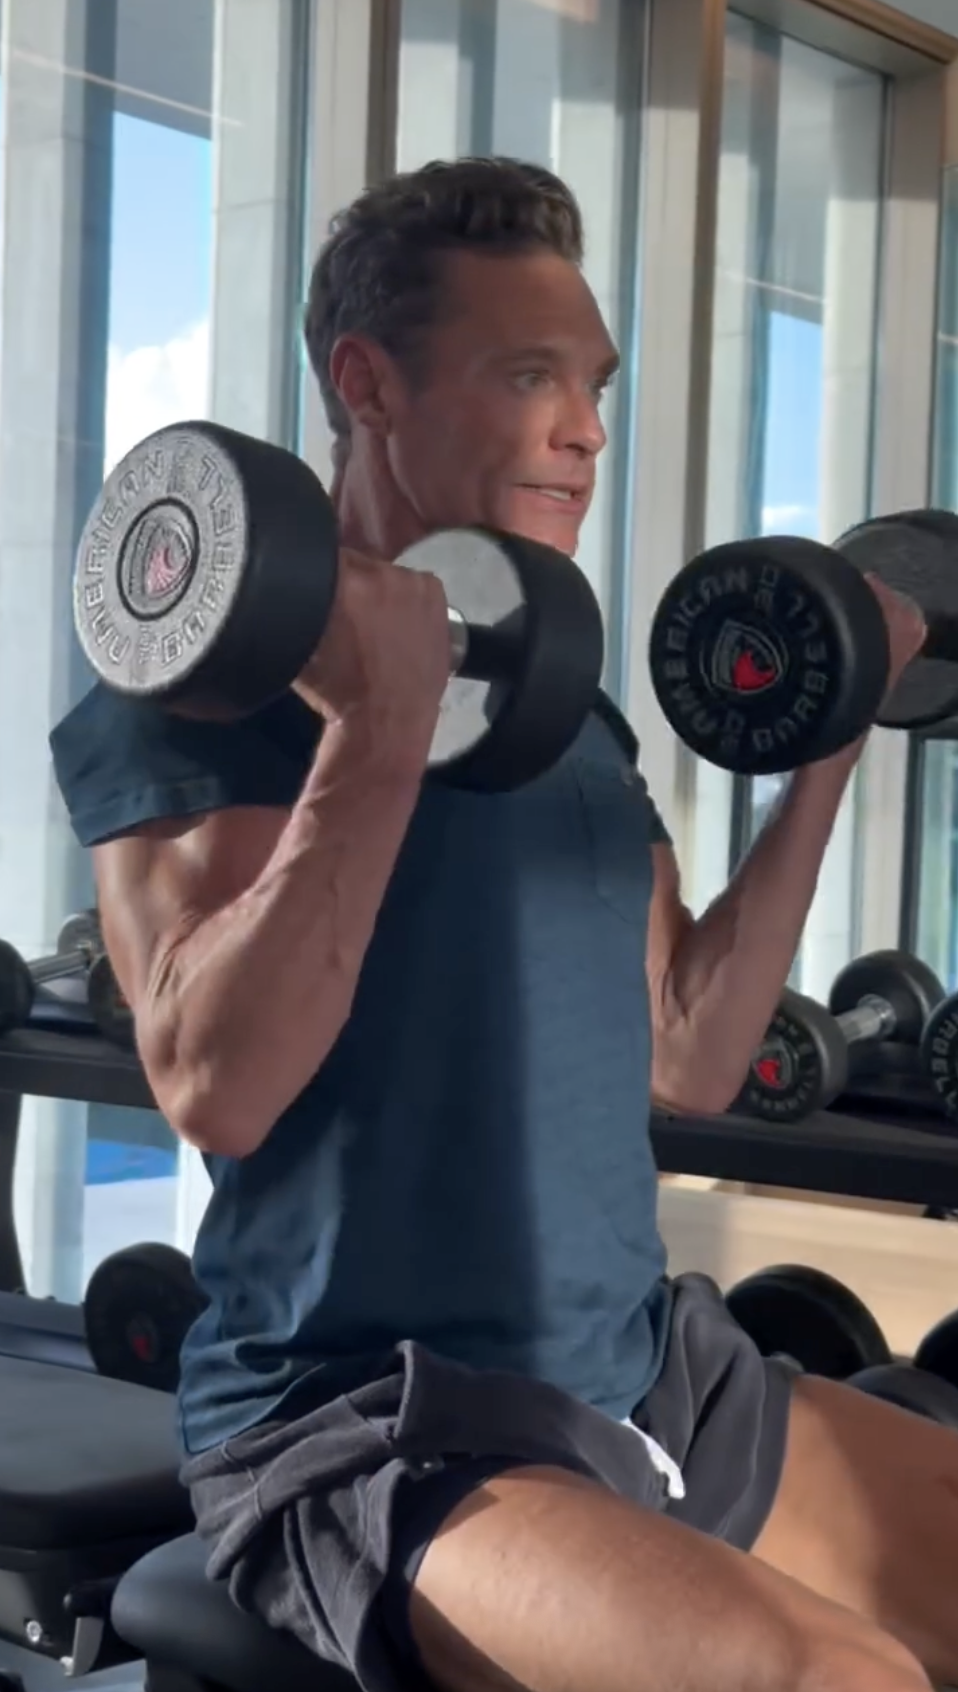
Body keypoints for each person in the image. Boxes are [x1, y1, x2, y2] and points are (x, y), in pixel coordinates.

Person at [50, 156, 949, 1692]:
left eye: (593, 385)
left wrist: (830, 742)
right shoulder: (203, 696)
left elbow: (692, 1053)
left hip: (644, 1372)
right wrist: (377, 725)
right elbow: (217, 1082)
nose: (584, 428)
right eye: (529, 375)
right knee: (836, 1680)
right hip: (363, 1424)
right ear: (367, 384)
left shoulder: (567, 712)